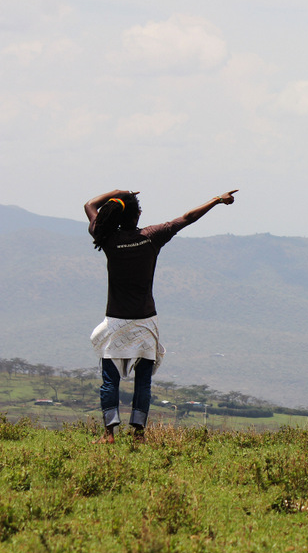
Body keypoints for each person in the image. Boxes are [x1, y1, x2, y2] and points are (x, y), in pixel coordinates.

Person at [85, 189, 238, 443]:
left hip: (116, 322)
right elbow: (188, 218)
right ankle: (139, 435)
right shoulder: (151, 236)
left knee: (110, 381)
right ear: (139, 215)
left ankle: (108, 433)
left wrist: (120, 192)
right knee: (143, 382)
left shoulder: (107, 236)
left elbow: (90, 205)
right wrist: (217, 200)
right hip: (146, 321)